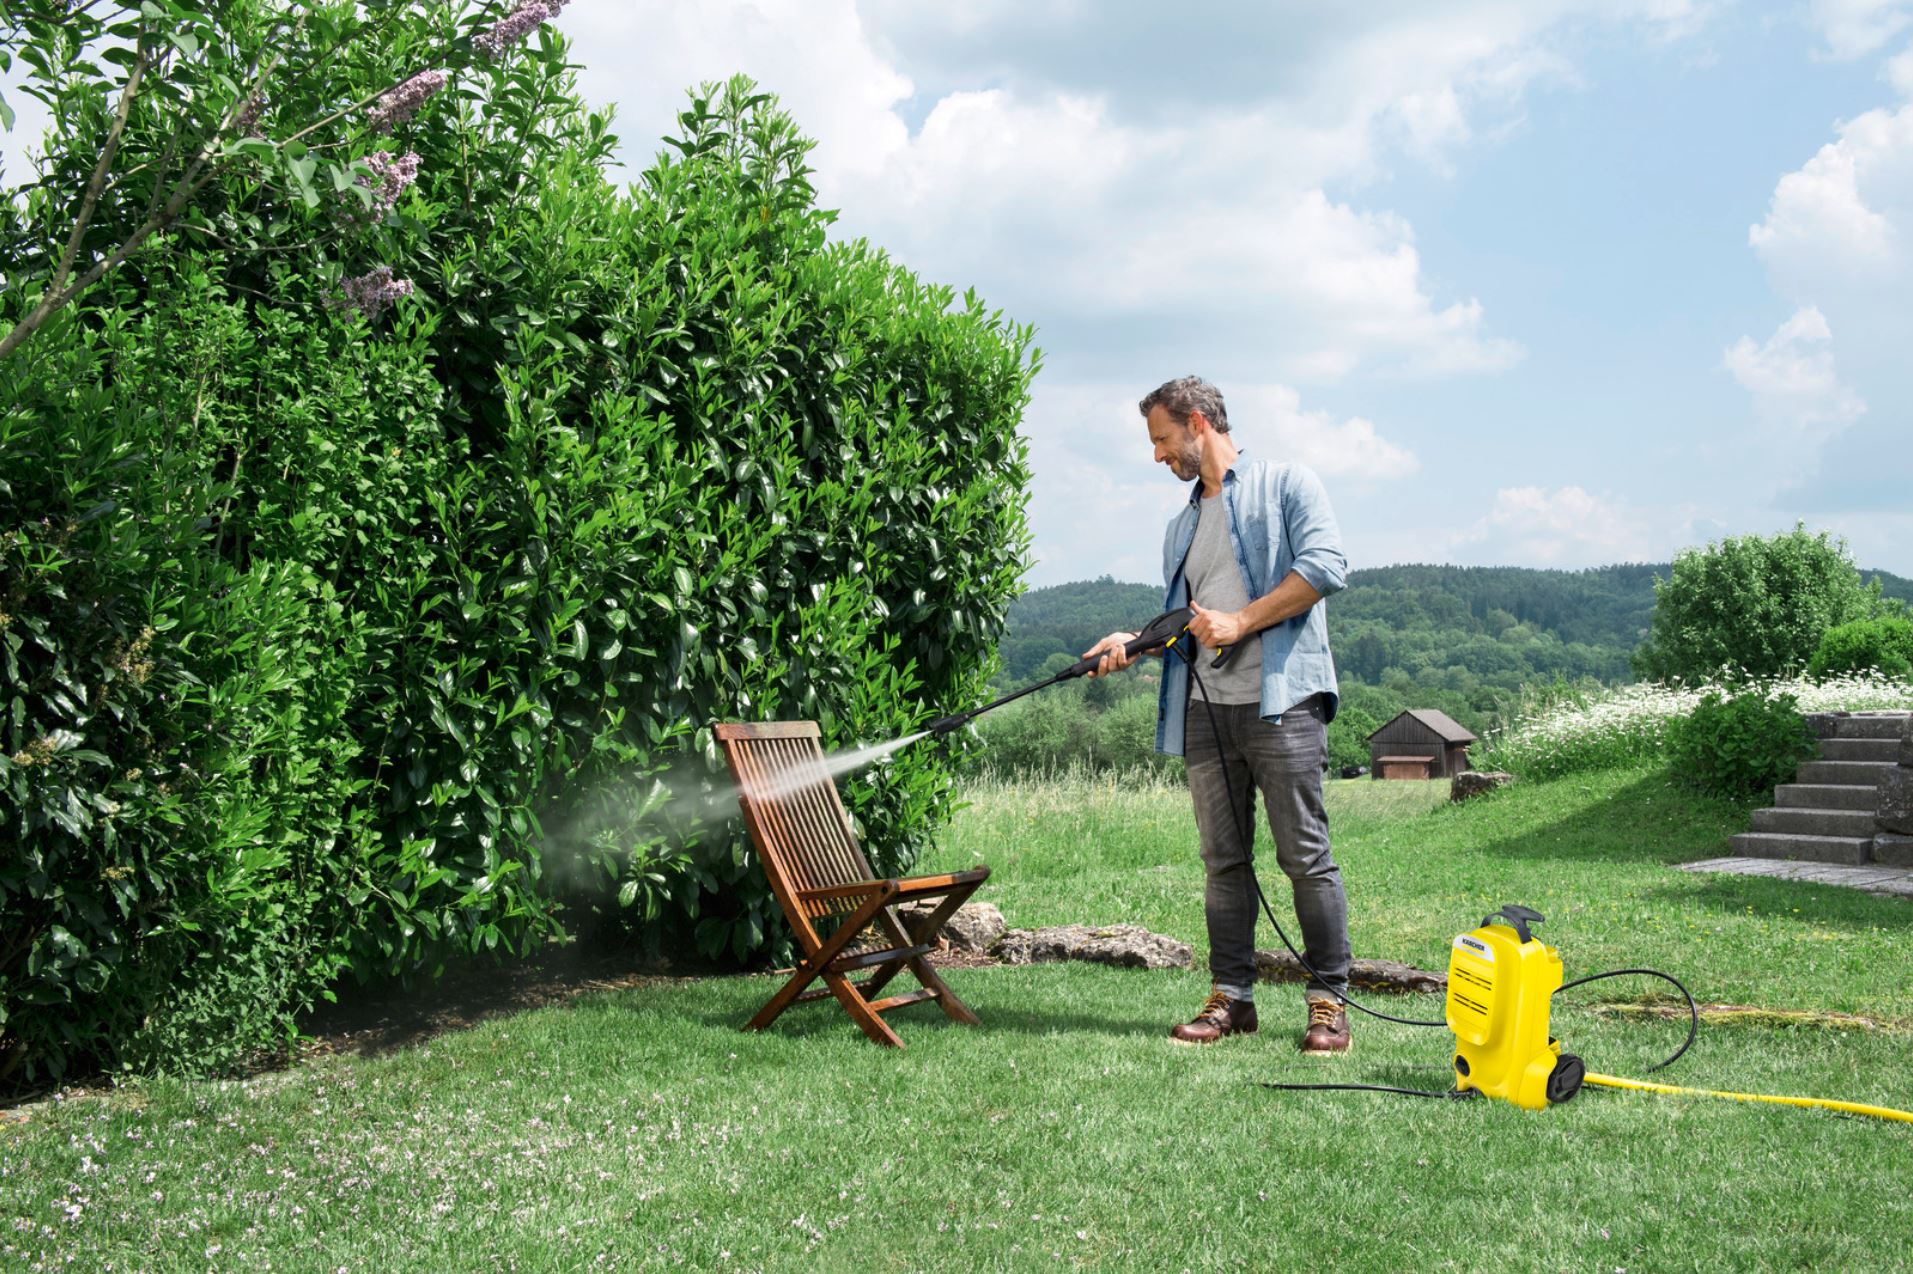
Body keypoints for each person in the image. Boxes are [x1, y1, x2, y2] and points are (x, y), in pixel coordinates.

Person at [1084, 376, 1353, 1053]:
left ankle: (1327, 1002)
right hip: (1206, 714)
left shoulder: (1288, 483)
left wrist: (1242, 621)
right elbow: (1186, 624)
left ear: (1198, 423)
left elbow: (1324, 566)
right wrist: (1133, 643)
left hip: (1282, 704)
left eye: (1161, 439)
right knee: (1222, 863)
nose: (1156, 456)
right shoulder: (1181, 524)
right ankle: (1231, 999)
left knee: (1305, 859)